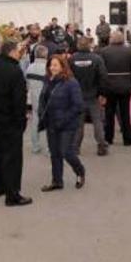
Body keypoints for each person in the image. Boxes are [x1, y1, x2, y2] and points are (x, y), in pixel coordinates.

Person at [0, 40, 32, 206]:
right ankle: (12, 194)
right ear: (11, 52)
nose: (21, 53)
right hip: (11, 120)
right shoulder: (14, 70)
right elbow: (18, 99)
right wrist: (22, 119)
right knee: (12, 157)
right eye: (19, 50)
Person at [38, 55, 86, 191]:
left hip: (67, 124)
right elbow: (43, 99)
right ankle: (57, 181)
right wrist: (42, 113)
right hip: (51, 123)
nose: (52, 68)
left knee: (66, 151)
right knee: (54, 153)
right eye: (50, 65)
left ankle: (80, 171)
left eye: (55, 65)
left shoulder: (71, 82)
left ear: (63, 66)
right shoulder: (48, 80)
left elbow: (78, 106)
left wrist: (64, 119)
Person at [71, 37, 110, 156]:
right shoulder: (97, 59)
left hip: (77, 96)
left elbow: (68, 77)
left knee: (78, 123)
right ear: (89, 45)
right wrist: (103, 93)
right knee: (97, 122)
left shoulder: (72, 59)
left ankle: (75, 147)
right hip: (93, 95)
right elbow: (103, 77)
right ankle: (102, 146)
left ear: (78, 45)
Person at [99, 31, 131, 146]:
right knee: (125, 113)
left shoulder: (104, 52)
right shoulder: (130, 52)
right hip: (125, 86)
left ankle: (108, 138)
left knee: (109, 113)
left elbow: (101, 72)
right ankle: (128, 139)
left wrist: (102, 87)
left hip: (109, 87)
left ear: (112, 38)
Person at [25, 45, 49, 155]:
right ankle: (49, 148)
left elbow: (27, 83)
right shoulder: (48, 68)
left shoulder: (29, 67)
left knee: (35, 121)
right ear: (45, 54)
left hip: (34, 97)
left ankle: (35, 146)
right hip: (47, 98)